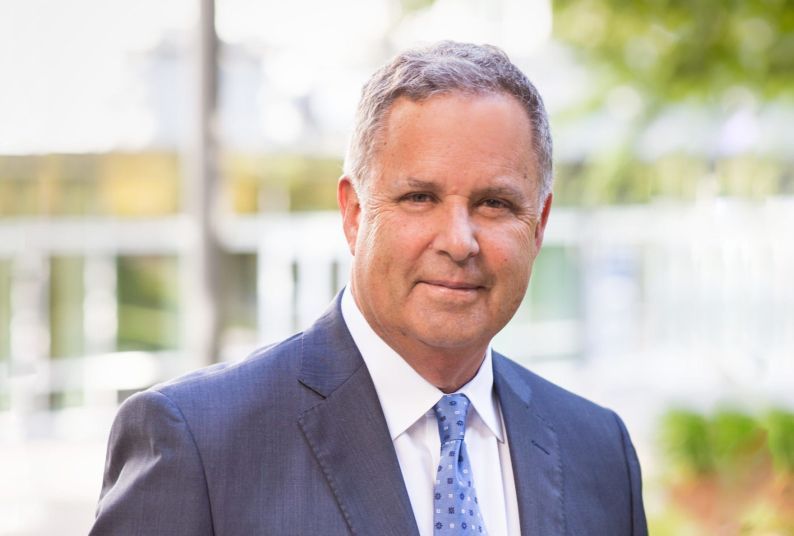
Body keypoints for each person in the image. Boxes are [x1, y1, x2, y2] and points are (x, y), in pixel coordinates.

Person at [90, 41, 647, 535]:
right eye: (419, 198)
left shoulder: (598, 451)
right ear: (355, 214)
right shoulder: (199, 444)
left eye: (494, 204)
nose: (459, 241)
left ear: (540, 223)